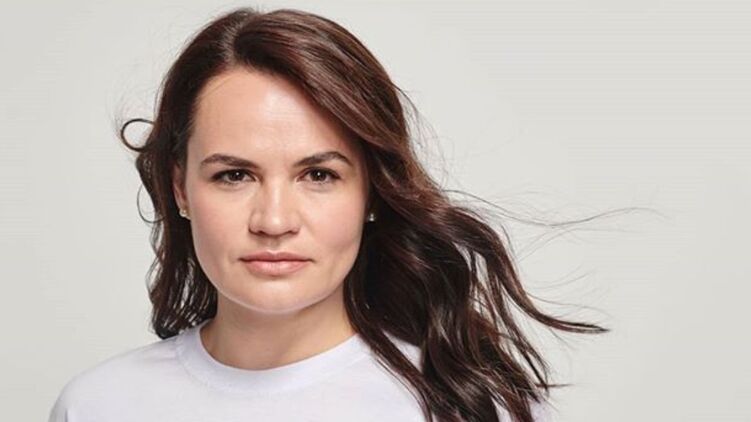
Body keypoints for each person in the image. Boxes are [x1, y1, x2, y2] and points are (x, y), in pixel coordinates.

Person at [48, 7, 606, 422]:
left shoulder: (471, 409)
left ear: (372, 194)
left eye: (318, 175)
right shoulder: (98, 405)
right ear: (181, 189)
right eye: (234, 175)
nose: (274, 221)